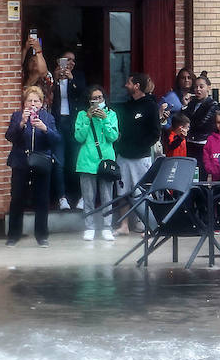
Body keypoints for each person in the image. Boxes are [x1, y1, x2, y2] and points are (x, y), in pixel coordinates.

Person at [4, 85, 61, 247]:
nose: (33, 103)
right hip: (21, 162)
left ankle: (42, 235)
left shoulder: (48, 117)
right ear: (24, 103)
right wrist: (22, 123)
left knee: (42, 200)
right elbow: (10, 136)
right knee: (17, 199)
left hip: (41, 162)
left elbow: (56, 139)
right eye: (29, 101)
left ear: (41, 103)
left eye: (36, 101)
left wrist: (44, 129)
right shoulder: (17, 116)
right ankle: (13, 235)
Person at [113, 73, 161, 236]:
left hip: (141, 157)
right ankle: (124, 225)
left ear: (137, 86)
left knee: (143, 192)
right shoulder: (126, 106)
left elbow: (155, 133)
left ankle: (148, 225)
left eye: (129, 82)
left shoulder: (151, 106)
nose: (126, 85)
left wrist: (140, 146)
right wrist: (121, 146)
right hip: (124, 156)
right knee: (123, 192)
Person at [74, 85, 119, 242]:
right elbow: (79, 137)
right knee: (88, 197)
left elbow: (113, 136)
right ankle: (89, 227)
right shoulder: (81, 115)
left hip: (106, 160)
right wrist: (88, 118)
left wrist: (104, 120)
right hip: (87, 160)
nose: (97, 101)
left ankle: (107, 227)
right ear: (89, 100)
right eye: (94, 98)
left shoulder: (111, 114)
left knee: (107, 196)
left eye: (100, 98)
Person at [49, 49, 87, 209]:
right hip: (58, 122)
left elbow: (84, 95)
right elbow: (47, 97)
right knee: (59, 161)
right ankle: (61, 197)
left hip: (73, 123)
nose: (70, 63)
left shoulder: (78, 77)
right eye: (67, 60)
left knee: (76, 161)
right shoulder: (52, 77)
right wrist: (56, 80)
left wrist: (71, 80)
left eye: (73, 60)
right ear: (59, 61)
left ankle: (79, 196)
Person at [182, 75, 218, 163]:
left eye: (201, 87)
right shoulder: (192, 103)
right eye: (195, 87)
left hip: (203, 142)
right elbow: (183, 119)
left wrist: (189, 125)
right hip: (190, 140)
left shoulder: (212, 104)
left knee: (201, 171)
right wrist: (185, 105)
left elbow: (203, 123)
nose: (198, 89)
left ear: (208, 88)